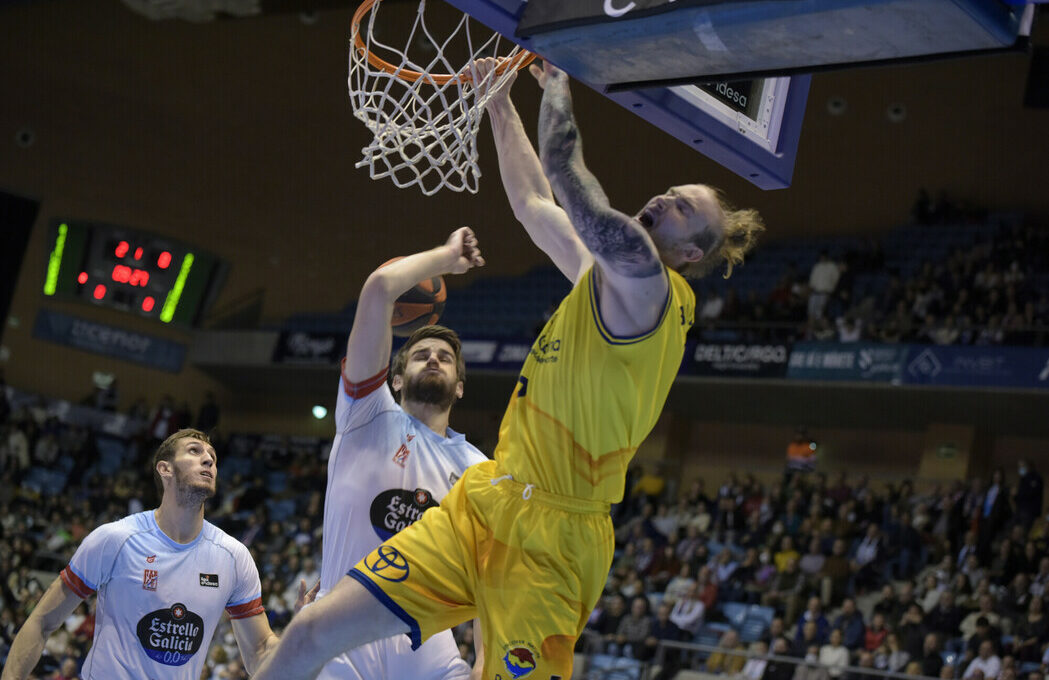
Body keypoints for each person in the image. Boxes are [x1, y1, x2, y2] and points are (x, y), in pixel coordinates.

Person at [253, 58, 763, 680]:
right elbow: (531, 201)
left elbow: (569, 181)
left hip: (556, 539)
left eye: (683, 208)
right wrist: (495, 100)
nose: (665, 198)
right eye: (671, 191)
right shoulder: (601, 276)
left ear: (688, 253)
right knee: (307, 631)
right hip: (491, 499)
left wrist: (557, 88)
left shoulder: (653, 289)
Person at [2, 429, 315, 680]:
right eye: (195, 451)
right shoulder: (115, 539)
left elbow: (259, 654)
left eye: (213, 457)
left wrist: (297, 633)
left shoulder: (233, 557)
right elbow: (41, 622)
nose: (208, 460)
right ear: (165, 468)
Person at [313, 233, 488, 680]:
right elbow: (379, 289)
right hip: (342, 619)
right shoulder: (366, 414)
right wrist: (448, 258)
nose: (433, 360)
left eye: (445, 358)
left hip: (424, 632)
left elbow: (493, 577)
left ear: (460, 386)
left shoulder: (481, 471)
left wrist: (485, 661)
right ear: (394, 379)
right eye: (420, 355)